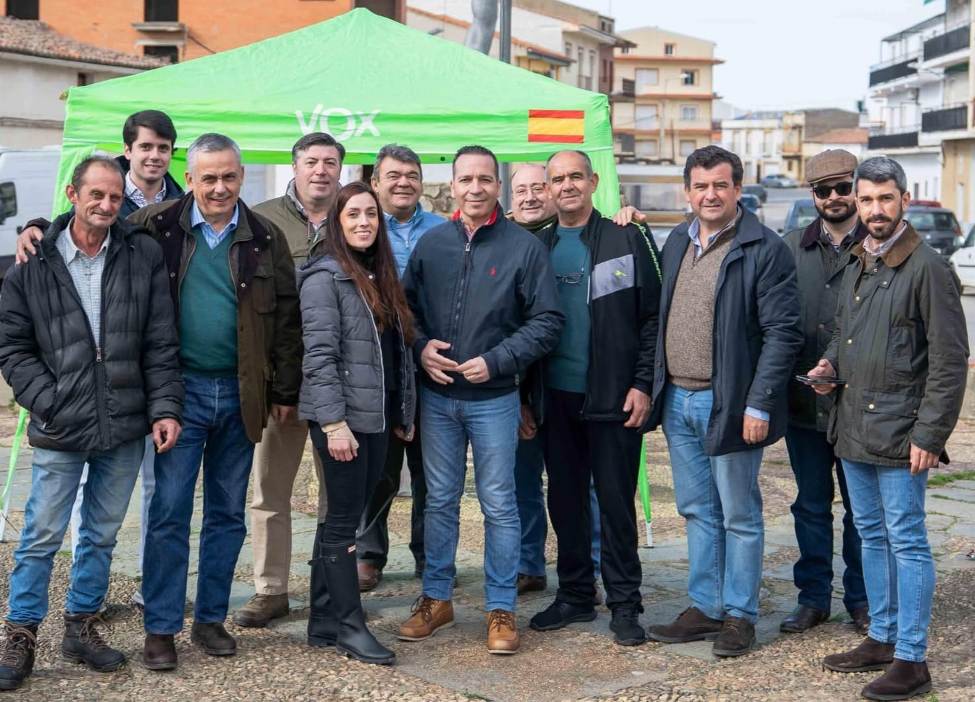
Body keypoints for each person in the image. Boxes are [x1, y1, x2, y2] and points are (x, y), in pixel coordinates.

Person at [0, 156, 182, 690]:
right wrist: (47, 400)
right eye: (96, 194)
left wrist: (164, 407)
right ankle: (21, 632)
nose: (105, 205)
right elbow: (12, 346)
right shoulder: (33, 260)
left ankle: (80, 626)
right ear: (72, 194)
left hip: (124, 422)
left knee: (101, 534)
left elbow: (160, 340)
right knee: (41, 535)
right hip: (61, 424)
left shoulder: (141, 253)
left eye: (114, 197)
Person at [129, 133, 301, 671]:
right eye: (209, 178)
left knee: (227, 515)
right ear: (191, 177)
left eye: (229, 176)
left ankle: (209, 620)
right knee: (169, 512)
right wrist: (44, 227)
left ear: (242, 176)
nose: (220, 187)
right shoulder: (155, 225)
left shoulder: (266, 236)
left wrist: (284, 391)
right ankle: (161, 627)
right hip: (178, 393)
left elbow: (288, 321)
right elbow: (94, 225)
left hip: (242, 394)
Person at [809, 157, 968, 701]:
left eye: (885, 198)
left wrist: (930, 434)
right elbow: (845, 334)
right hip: (854, 424)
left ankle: (912, 659)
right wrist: (829, 366)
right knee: (871, 536)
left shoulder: (929, 268)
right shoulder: (859, 259)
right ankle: (881, 636)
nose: (875, 209)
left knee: (907, 542)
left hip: (904, 434)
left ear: (904, 199)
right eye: (867, 199)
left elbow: (949, 361)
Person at [397, 145, 563, 654]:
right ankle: (436, 598)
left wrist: (498, 360)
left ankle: (500, 608)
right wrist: (421, 348)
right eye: (466, 179)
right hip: (439, 397)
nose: (475, 188)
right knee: (439, 501)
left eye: (485, 179)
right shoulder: (431, 244)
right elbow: (404, 309)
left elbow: (547, 321)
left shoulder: (523, 248)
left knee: (500, 504)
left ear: (497, 186)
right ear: (452, 186)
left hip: (495, 398)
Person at [647, 145, 802, 657]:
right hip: (678, 400)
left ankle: (739, 615)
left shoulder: (764, 248)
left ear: (737, 188)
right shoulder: (677, 240)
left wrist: (759, 403)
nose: (709, 195)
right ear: (687, 192)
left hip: (731, 402)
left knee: (739, 514)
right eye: (700, 186)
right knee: (697, 510)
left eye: (719, 185)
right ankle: (705, 606)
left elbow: (782, 334)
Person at [527, 150, 661, 646]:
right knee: (564, 502)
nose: (566, 186)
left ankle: (625, 603)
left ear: (593, 181)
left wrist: (642, 384)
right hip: (554, 398)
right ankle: (576, 595)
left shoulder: (626, 238)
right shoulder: (537, 245)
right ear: (548, 187)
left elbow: (652, 317)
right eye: (557, 179)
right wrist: (525, 399)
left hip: (613, 397)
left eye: (575, 177)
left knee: (615, 504)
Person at [299, 181, 416, 665]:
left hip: (376, 417)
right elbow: (319, 357)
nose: (364, 222)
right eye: (353, 215)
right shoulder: (324, 278)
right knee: (344, 522)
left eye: (371, 214)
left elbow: (394, 353)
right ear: (337, 223)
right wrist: (333, 424)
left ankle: (324, 620)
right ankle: (350, 626)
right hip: (343, 421)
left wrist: (403, 412)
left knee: (342, 517)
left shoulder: (379, 275)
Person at [233, 132, 343, 628]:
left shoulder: (355, 216)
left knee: (336, 496)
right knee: (269, 493)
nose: (320, 170)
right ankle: (271, 590)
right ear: (295, 167)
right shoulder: (260, 220)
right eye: (311, 161)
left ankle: (331, 587)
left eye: (330, 162)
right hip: (280, 383)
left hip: (337, 386)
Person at [780, 149, 869, 636]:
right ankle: (812, 598)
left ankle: (862, 599)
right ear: (811, 195)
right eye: (823, 190)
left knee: (861, 510)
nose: (834, 197)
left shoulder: (878, 243)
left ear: (856, 186)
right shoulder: (790, 247)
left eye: (842, 187)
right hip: (804, 404)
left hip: (861, 406)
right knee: (810, 506)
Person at [352, 144, 444, 592]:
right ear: (375, 183)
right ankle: (369, 555)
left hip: (433, 365)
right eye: (393, 175)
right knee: (379, 468)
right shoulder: (363, 228)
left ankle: (430, 556)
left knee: (432, 471)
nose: (403, 182)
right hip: (381, 368)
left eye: (411, 174)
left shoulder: (443, 231)